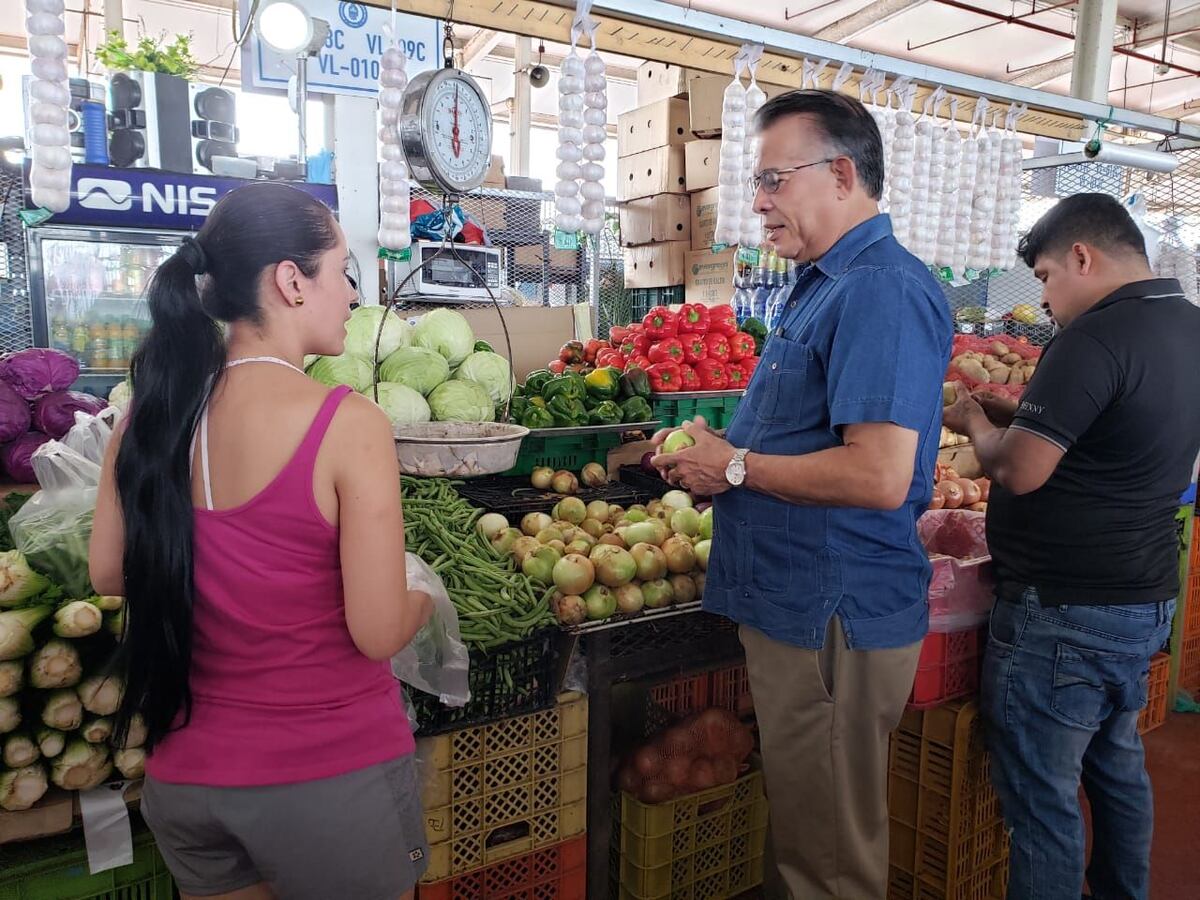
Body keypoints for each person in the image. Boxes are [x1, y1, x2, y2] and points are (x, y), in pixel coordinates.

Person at [89, 182, 434, 900]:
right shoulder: (349, 423)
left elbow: (109, 571)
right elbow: (376, 632)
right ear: (290, 281)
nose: (350, 293)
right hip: (327, 783)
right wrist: (423, 594)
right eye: (341, 269)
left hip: (187, 781)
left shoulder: (147, 418)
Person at [652, 89, 952, 899]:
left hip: (833, 614)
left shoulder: (878, 290)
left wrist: (736, 469)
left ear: (842, 174)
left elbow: (879, 474)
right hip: (798, 603)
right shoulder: (823, 285)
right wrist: (713, 459)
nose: (758, 202)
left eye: (774, 180)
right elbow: (801, 442)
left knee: (827, 863)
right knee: (807, 832)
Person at [943, 192, 1200, 900]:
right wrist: (1012, 411)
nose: (1048, 298)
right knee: (1116, 769)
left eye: (1049, 277)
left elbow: (1020, 468)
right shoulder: (1187, 327)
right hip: (1140, 597)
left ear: (1083, 257)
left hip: (1062, 612)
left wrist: (974, 422)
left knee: (1044, 803)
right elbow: (1110, 430)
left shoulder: (1091, 337)